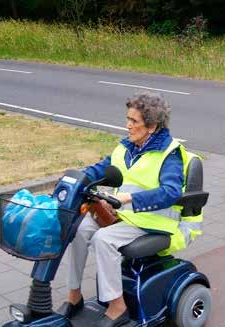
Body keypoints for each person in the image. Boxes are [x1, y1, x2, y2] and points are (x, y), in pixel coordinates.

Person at [59, 91, 201, 327]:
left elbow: (171, 192)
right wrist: (75, 179)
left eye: (134, 121)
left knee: (104, 239)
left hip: (154, 220)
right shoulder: (126, 147)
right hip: (125, 215)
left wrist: (127, 199)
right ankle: (74, 295)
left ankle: (118, 305)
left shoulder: (170, 154)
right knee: (79, 229)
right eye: (128, 119)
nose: (127, 126)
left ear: (152, 126)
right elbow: (101, 169)